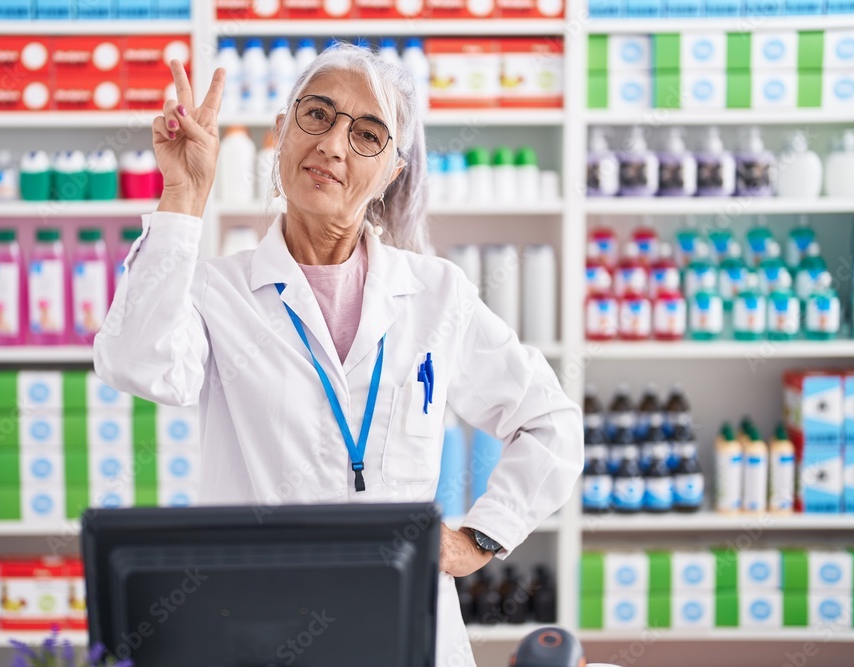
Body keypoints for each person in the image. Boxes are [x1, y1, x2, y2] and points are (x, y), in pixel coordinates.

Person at [94, 44, 583, 666]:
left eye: (368, 134)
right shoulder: (217, 292)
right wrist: (183, 197)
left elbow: (552, 425)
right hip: (260, 628)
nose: (332, 145)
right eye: (317, 115)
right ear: (281, 133)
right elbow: (136, 363)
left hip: (407, 632)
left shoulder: (436, 295)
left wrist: (478, 537)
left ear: (393, 171)